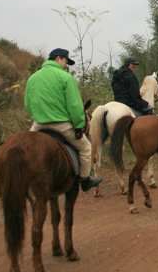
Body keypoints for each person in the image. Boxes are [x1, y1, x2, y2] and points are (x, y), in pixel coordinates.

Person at [24, 48, 102, 192]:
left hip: (38, 125)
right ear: (59, 58)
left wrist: (39, 116)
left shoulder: (32, 78)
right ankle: (85, 180)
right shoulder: (65, 77)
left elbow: (27, 104)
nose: (67, 66)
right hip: (61, 125)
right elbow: (75, 106)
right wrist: (79, 126)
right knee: (86, 148)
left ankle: (24, 178)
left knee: (25, 150)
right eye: (66, 62)